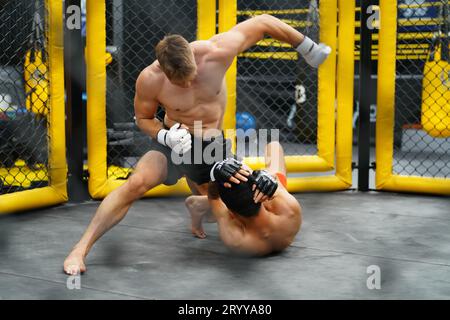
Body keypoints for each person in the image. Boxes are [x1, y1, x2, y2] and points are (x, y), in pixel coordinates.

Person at [64, 14, 329, 274]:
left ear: (193, 58)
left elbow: (263, 22)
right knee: (136, 183)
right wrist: (164, 135)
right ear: (164, 72)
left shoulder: (217, 52)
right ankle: (80, 248)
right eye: (182, 82)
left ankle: (199, 204)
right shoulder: (150, 79)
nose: (190, 83)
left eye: (192, 75)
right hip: (174, 143)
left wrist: (307, 47)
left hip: (213, 151)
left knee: (234, 205)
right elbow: (144, 119)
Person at [185, 141, 302, 256]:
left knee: (229, 173)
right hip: (283, 220)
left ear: (231, 213)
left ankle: (201, 203)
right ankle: (202, 202)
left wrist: (215, 174)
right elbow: (273, 183)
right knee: (274, 146)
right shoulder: (290, 210)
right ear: (263, 197)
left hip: (250, 232)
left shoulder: (237, 241)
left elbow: (214, 199)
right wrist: (266, 176)